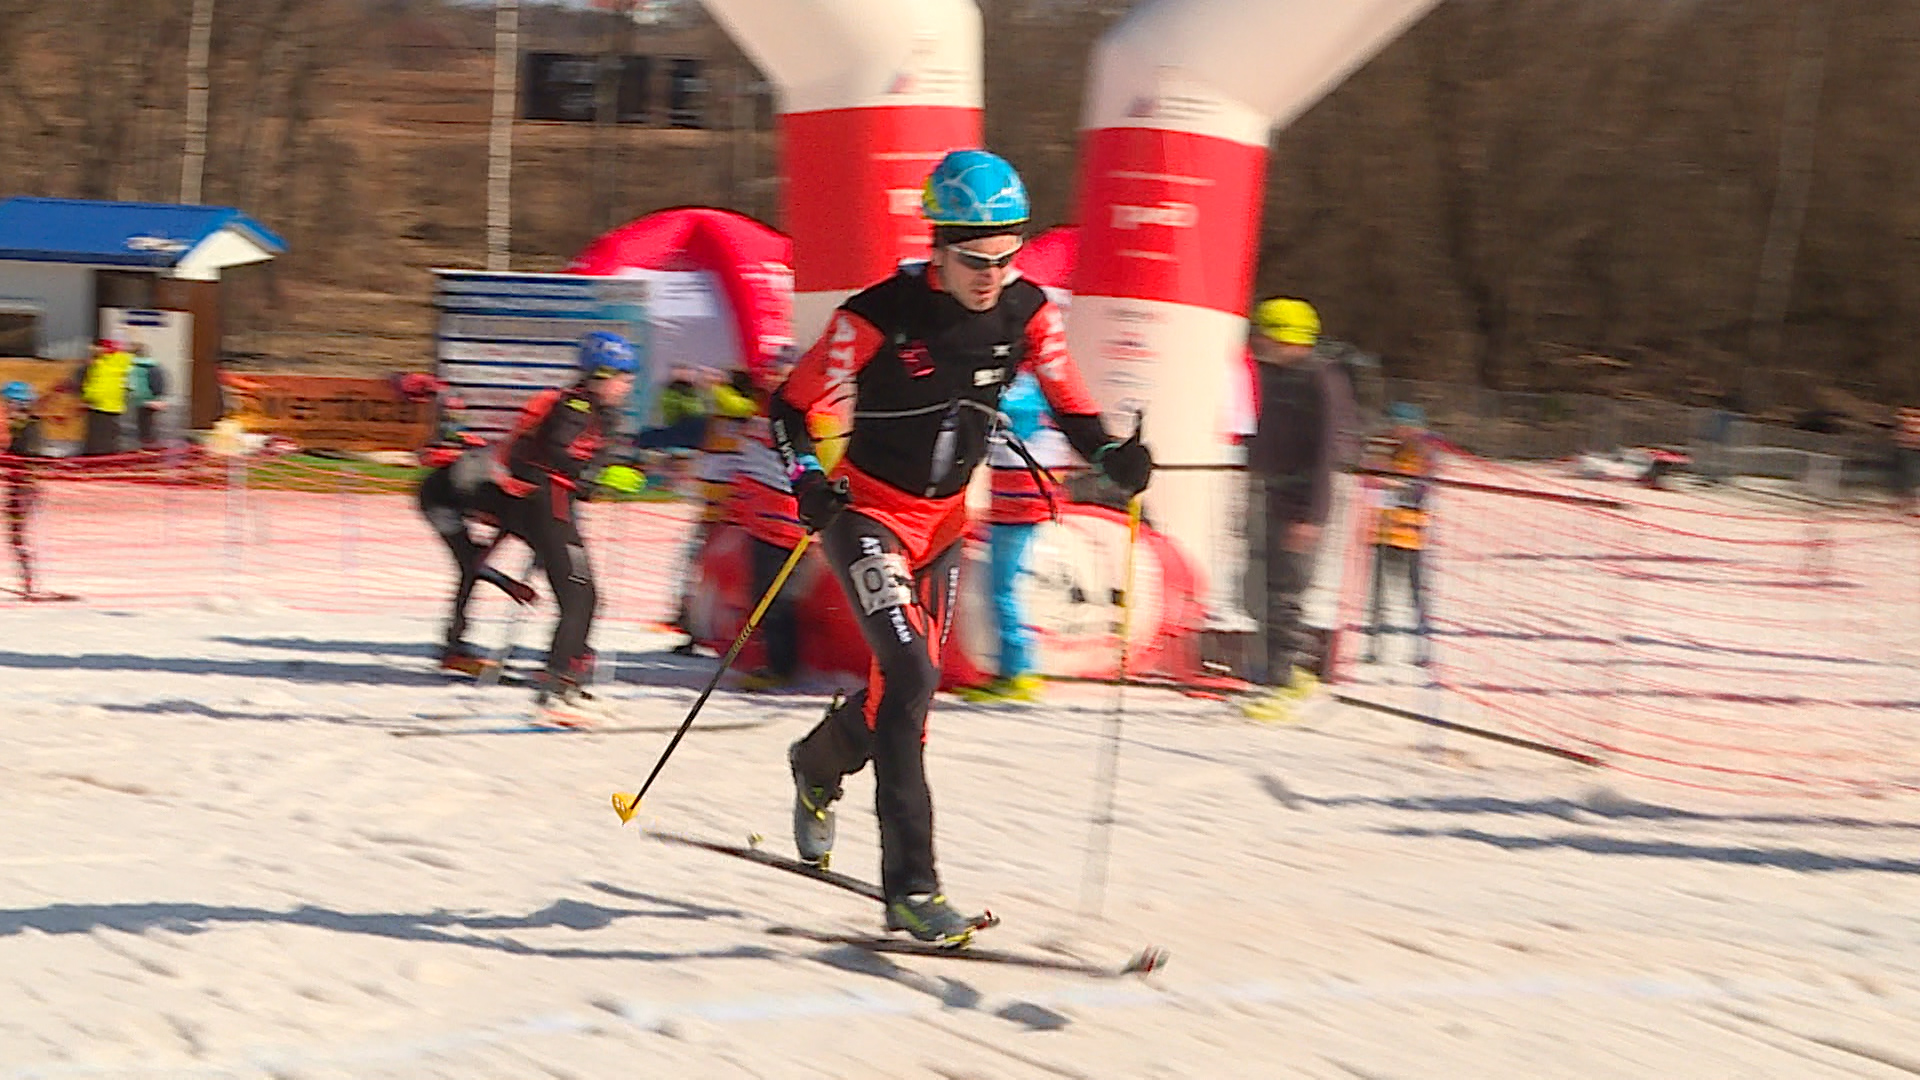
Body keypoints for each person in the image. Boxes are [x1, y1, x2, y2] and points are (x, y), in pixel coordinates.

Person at [769, 149, 1153, 942]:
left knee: (899, 704)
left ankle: (816, 762)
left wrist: (1114, 454)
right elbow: (790, 407)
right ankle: (912, 890)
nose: (993, 275)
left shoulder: (1028, 311)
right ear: (937, 248)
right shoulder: (876, 314)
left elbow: (1075, 410)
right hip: (866, 515)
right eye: (976, 260)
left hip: (944, 527)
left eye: (1008, 258)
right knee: (909, 673)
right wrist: (808, 475)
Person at [427, 331, 640, 712]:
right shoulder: (575, 406)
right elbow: (557, 451)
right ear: (601, 375)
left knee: (582, 597)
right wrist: (597, 474)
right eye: (623, 376)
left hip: (550, 504)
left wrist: (605, 474)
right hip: (545, 502)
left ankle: (566, 678)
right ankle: (555, 685)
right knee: (580, 596)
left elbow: (578, 462)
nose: (629, 384)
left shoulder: (596, 410)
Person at [1240, 297, 1352, 722]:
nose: (1258, 342)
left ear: (1287, 337)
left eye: (1265, 334)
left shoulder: (1321, 380)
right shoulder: (1273, 375)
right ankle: (1284, 667)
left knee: (1285, 593)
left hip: (1300, 502)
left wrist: (1312, 515)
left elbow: (1327, 452)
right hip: (1270, 493)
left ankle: (1282, 679)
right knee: (1256, 589)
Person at [412, 372, 541, 678]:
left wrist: (510, 582)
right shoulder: (507, 502)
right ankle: (453, 647)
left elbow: (506, 536)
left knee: (478, 562)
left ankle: (455, 643)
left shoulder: (516, 500)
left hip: (467, 490)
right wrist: (509, 584)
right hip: (436, 498)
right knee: (469, 566)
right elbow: (481, 560)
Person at [961, 370, 1065, 704]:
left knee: (1002, 588)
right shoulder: (1029, 386)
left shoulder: (1019, 389)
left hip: (1019, 502)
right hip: (1017, 499)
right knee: (1005, 585)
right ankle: (1015, 669)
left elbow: (1002, 418)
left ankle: (1017, 672)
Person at [1362, 402, 1436, 665]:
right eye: (1395, 426)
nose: (1398, 432)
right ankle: (1374, 646)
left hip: (1411, 536)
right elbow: (1369, 481)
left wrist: (1393, 484)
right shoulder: (1382, 448)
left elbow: (1419, 491)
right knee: (1378, 595)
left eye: (1403, 427)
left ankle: (1423, 649)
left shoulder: (1424, 453)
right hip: (1383, 532)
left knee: (1416, 595)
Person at [3, 381, 43, 596]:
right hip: (16, 486)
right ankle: (27, 583)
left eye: (10, 403)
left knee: (17, 536)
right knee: (14, 535)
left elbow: (28, 456)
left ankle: (29, 584)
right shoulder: (18, 426)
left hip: (25, 488)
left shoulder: (30, 427)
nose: (7, 407)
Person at [75, 339, 133, 456]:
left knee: (98, 436)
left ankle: (97, 458)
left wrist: (87, 398)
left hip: (100, 404)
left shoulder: (103, 364)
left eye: (97, 347)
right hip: (110, 405)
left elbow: (98, 385)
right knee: (107, 435)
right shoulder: (119, 362)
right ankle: (106, 456)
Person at [127, 345, 169, 449]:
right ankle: (151, 443)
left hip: (139, 398)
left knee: (142, 423)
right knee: (150, 422)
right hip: (152, 398)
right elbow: (159, 382)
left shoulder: (133, 366)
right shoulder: (154, 365)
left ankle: (146, 444)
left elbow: (131, 384)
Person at [1895, 404, 1920, 515]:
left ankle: (1910, 504)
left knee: (1912, 478)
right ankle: (1907, 504)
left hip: (1913, 450)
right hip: (1907, 451)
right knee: (1909, 478)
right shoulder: (1907, 423)